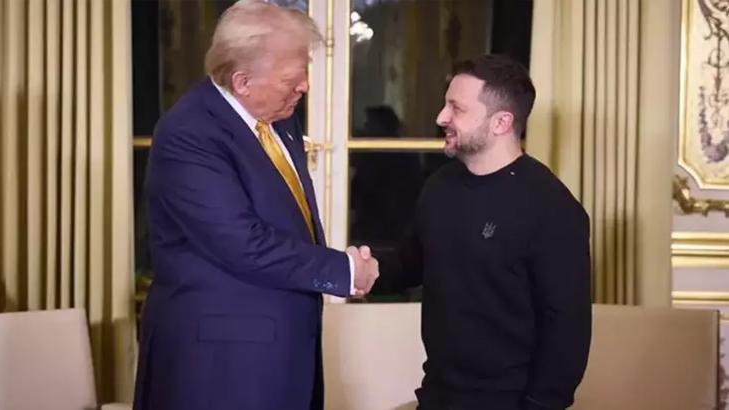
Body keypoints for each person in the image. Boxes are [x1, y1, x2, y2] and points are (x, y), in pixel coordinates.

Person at [133, 2, 378, 410]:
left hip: (278, 354)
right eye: (291, 78)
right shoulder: (188, 134)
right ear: (242, 81)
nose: (305, 87)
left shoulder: (279, 117)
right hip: (220, 365)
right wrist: (343, 270)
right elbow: (240, 242)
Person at [371, 54, 592, 410]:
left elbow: (567, 329)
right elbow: (410, 264)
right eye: (445, 104)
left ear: (501, 122)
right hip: (437, 395)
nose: (441, 117)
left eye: (456, 109)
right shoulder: (440, 185)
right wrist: (353, 268)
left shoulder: (552, 207)